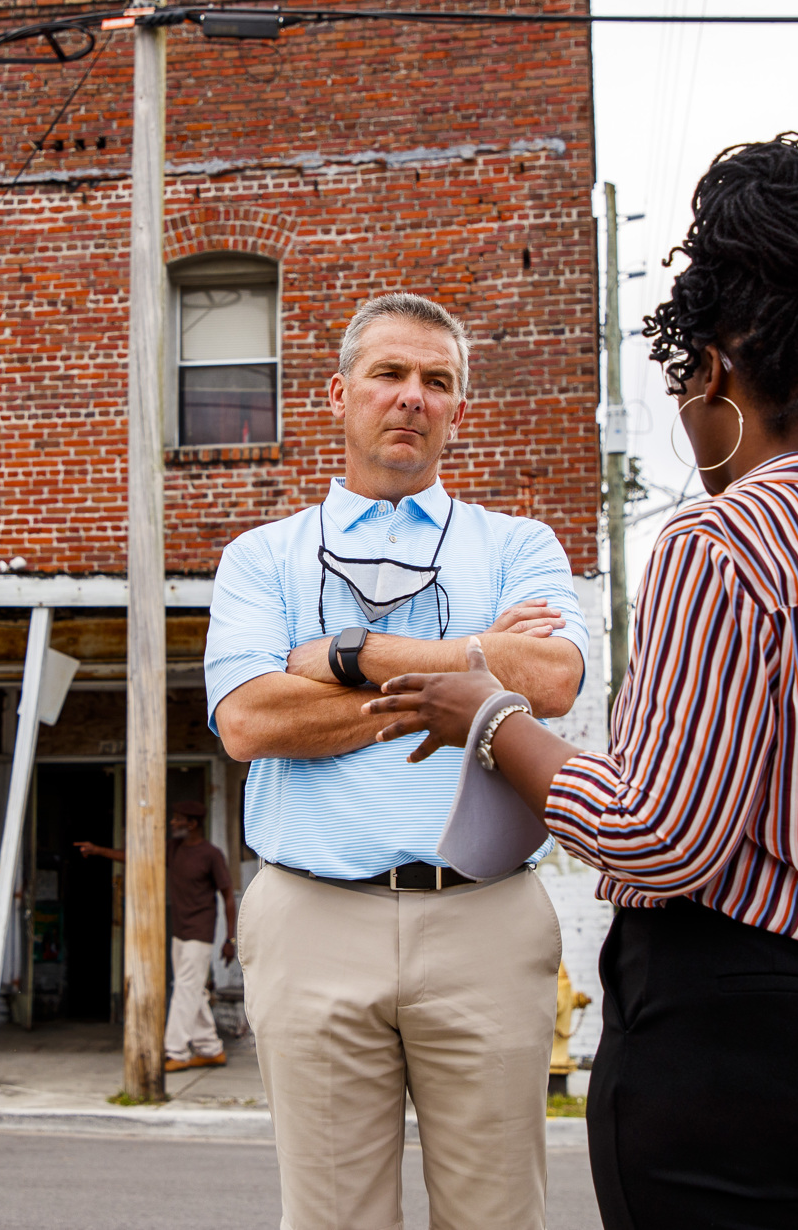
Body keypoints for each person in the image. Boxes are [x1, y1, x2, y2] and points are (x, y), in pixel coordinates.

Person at [362, 135, 798, 1230]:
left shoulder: (721, 543)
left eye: (681, 385)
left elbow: (657, 836)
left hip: (747, 1039)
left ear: (712, 376)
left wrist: (487, 719)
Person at [204, 291, 589, 1230]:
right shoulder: (263, 556)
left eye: (437, 381)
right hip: (311, 913)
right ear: (338, 395)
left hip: (485, 916)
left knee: (497, 1216)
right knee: (332, 1218)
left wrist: (349, 657)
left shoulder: (519, 544)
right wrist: (470, 662)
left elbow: (549, 675)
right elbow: (250, 719)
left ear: (459, 408)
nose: (412, 396)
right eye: (390, 374)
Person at [75, 800, 236, 1071]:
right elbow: (136, 856)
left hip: (200, 933)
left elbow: (229, 897)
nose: (172, 823)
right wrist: (98, 850)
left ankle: (175, 1052)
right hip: (180, 933)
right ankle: (210, 1049)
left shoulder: (211, 854)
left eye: (178, 819)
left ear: (193, 824)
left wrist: (230, 940)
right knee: (192, 990)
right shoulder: (173, 850)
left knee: (185, 989)